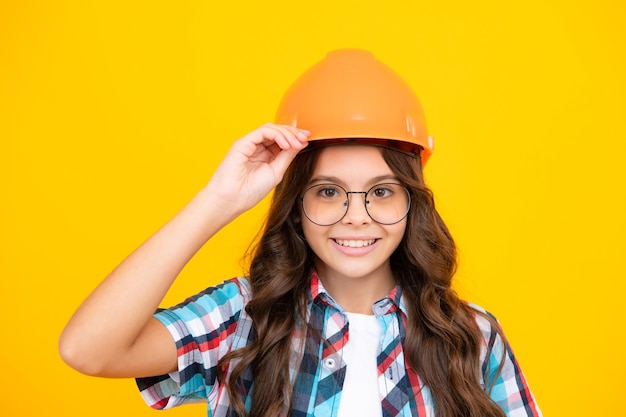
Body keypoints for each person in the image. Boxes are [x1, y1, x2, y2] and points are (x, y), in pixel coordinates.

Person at [59, 49, 542, 417]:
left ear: (412, 203)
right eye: (329, 192)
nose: (356, 216)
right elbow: (88, 349)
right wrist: (218, 201)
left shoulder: (472, 336)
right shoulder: (244, 319)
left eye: (382, 191)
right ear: (297, 209)